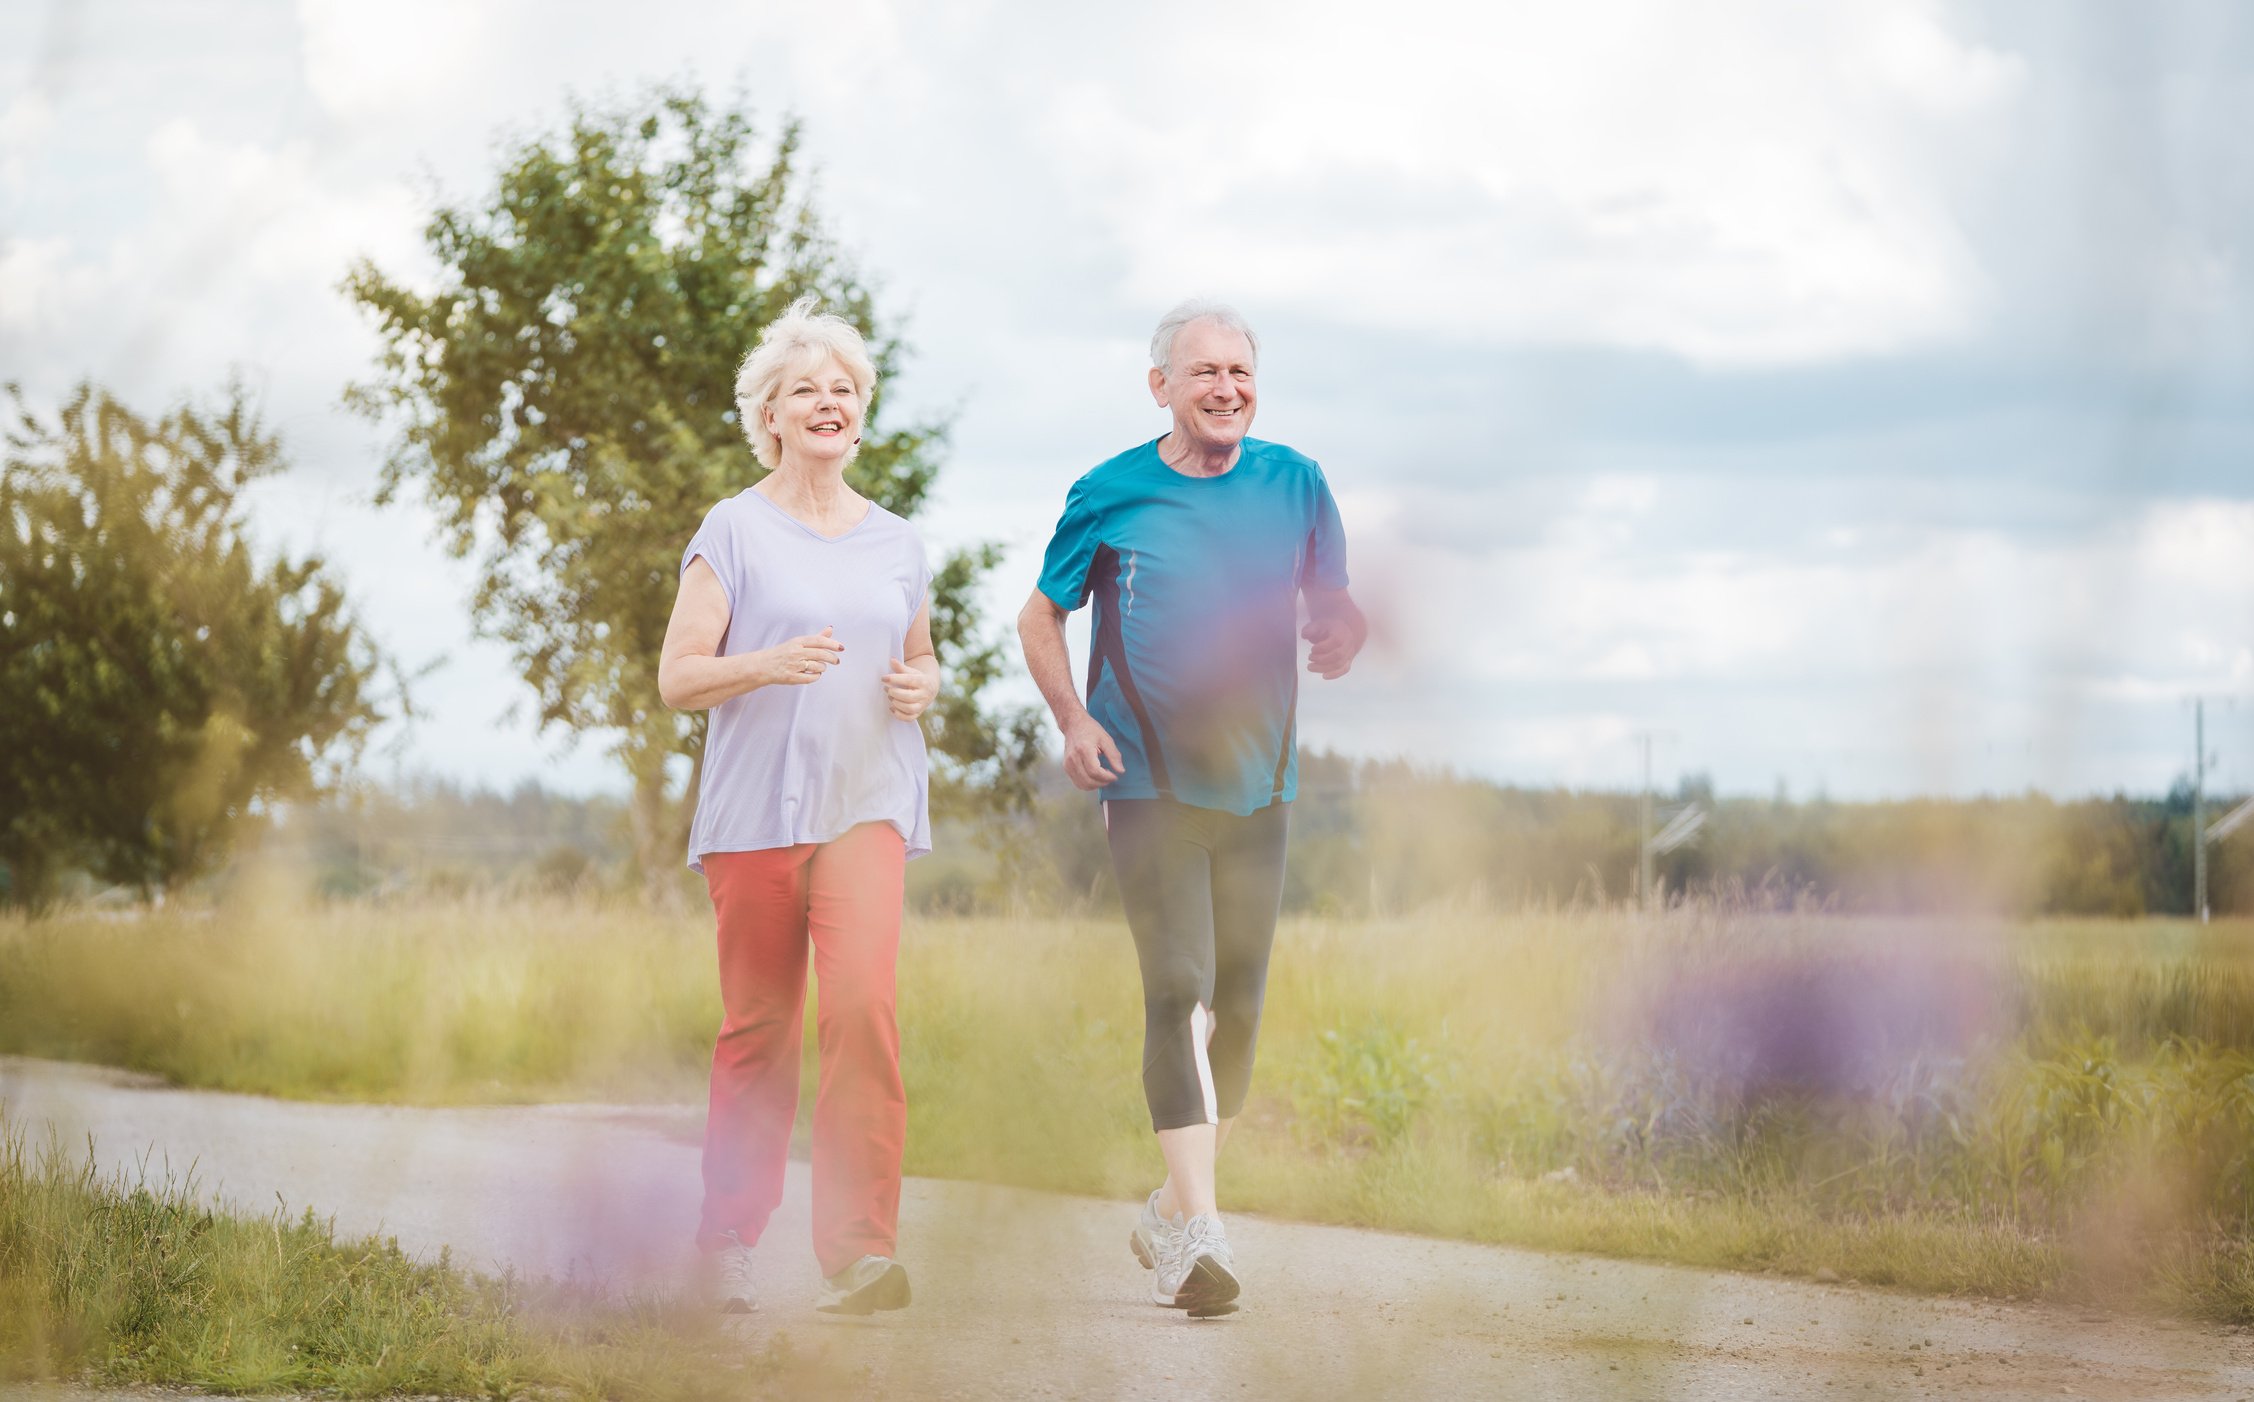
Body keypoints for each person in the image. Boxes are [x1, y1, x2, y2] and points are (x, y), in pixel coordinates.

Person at [1017, 299, 1366, 1315]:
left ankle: (1171, 1205)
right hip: (1147, 777)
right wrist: (1072, 719)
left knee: (1240, 1011)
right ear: (1160, 385)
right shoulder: (1110, 492)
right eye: (1203, 371)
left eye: (1240, 374)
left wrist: (1344, 632)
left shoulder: (1296, 482)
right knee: (1177, 985)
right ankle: (1200, 1234)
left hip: (1261, 782)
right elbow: (1042, 612)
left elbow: (1332, 603)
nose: (1225, 390)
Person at [658, 296, 938, 1316]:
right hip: (754, 816)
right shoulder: (732, 530)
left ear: (861, 414)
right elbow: (678, 678)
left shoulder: (898, 542)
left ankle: (860, 1252)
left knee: (862, 1009)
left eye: (845, 389)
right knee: (760, 1029)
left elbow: (918, 655)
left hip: (866, 801)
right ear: (769, 415)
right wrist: (767, 663)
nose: (830, 402)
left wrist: (923, 686)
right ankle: (726, 1239)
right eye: (806, 390)